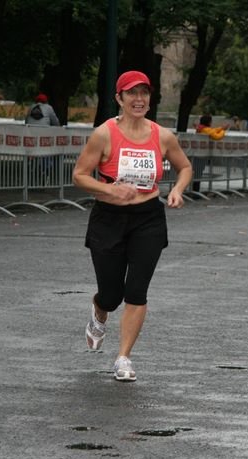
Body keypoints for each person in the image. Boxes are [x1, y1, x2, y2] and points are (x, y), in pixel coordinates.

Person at [72, 70, 192, 382]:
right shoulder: (104, 134)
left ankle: (123, 357)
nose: (138, 100)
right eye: (131, 94)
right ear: (119, 99)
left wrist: (177, 190)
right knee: (112, 294)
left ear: (150, 99)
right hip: (108, 218)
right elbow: (80, 175)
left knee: (137, 291)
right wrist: (111, 189)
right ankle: (100, 311)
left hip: (148, 218)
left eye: (144, 94)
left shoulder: (163, 136)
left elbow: (185, 166)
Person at [192, 114, 226, 192]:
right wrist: (223, 131)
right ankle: (195, 190)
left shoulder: (201, 128)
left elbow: (213, 130)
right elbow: (216, 136)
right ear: (208, 122)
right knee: (198, 173)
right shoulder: (205, 130)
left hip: (198, 153)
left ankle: (194, 190)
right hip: (201, 154)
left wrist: (221, 128)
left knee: (197, 172)